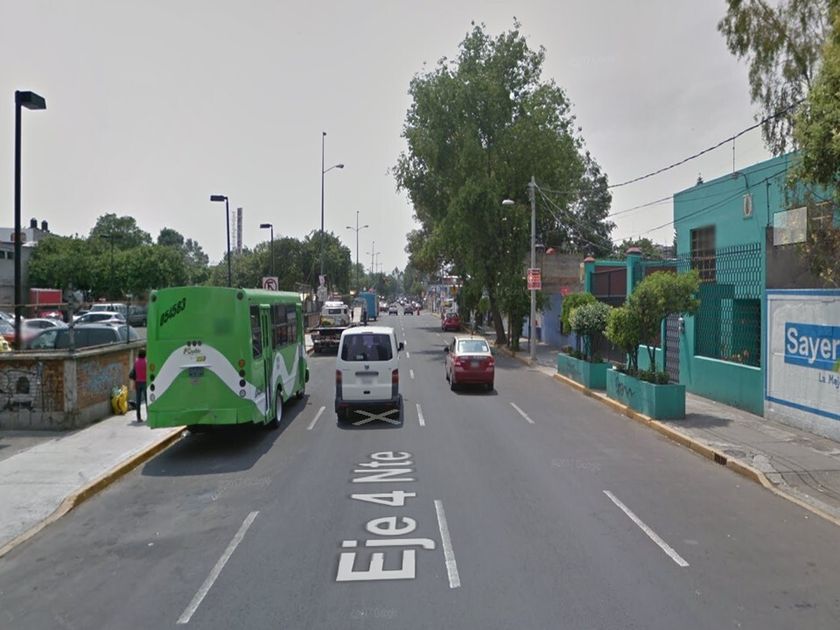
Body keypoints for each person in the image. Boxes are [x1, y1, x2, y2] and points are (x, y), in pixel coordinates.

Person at [131, 349, 148, 422]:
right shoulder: (146, 362)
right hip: (145, 382)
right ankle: (149, 416)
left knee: (138, 400)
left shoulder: (136, 362)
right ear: (145, 354)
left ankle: (138, 417)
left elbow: (134, 373)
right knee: (147, 400)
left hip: (137, 382)